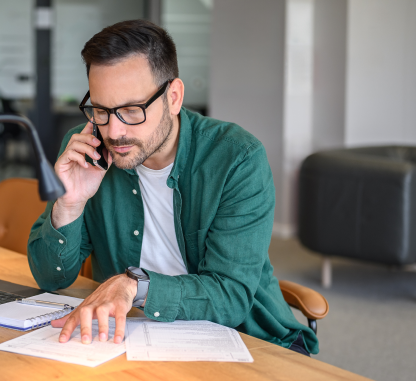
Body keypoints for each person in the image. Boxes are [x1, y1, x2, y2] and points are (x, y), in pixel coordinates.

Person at [27, 19, 317, 356]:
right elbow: (50, 278)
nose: (114, 131)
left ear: (174, 97)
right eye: (101, 111)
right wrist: (70, 205)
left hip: (246, 341)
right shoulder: (87, 151)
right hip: (133, 337)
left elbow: (231, 297)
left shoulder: (236, 158)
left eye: (131, 110)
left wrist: (134, 286)